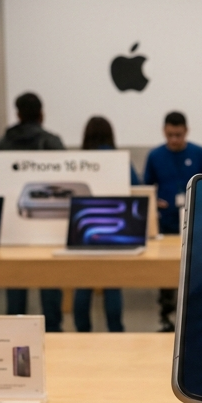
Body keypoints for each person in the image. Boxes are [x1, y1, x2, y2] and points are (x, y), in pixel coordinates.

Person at [0, 92, 66, 332]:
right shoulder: (52, 142)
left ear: (17, 114)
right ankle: (54, 333)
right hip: (49, 223)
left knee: (15, 283)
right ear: (41, 114)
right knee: (49, 283)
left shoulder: (3, 144)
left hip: (12, 225)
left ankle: (15, 334)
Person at [144, 111, 202, 331]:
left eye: (178, 135)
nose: (174, 139)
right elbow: (147, 190)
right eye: (170, 134)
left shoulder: (200, 154)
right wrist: (155, 202)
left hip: (195, 224)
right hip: (167, 224)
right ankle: (165, 316)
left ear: (186, 132)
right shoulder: (154, 156)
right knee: (165, 271)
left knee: (195, 270)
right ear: (164, 131)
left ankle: (195, 316)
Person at [72, 115, 136, 333]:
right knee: (112, 282)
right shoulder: (119, 160)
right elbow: (135, 187)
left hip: (84, 227)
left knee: (83, 282)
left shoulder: (80, 162)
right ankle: (115, 329)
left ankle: (81, 330)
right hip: (114, 225)